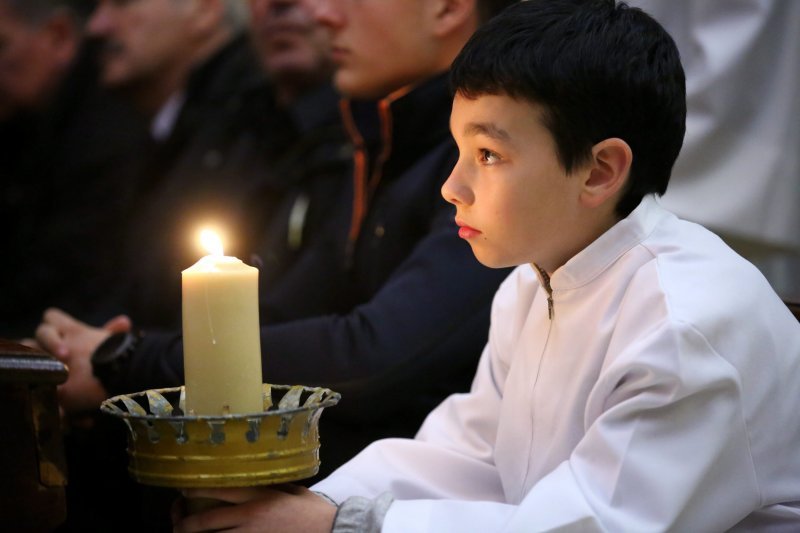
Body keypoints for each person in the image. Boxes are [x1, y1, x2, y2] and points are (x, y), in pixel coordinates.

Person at [170, 1, 800, 531]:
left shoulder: (683, 324)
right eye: (459, 149)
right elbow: (470, 453)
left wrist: (346, 525)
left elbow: (591, 523)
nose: (452, 187)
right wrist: (317, 503)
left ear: (601, 169)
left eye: (489, 154)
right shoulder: (533, 281)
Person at [36, 0, 515, 485]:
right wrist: (116, 356)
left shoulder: (486, 164)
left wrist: (126, 359)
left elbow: (374, 354)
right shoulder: (376, 138)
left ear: (447, 9)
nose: (324, 15)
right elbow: (281, 313)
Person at [0, 0, 148, 338]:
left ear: (59, 36)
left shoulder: (104, 129)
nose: (101, 26)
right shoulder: (26, 121)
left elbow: (69, 279)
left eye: (1, 45)